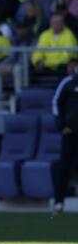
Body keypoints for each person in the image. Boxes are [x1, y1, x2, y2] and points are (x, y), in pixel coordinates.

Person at [52, 62, 78, 213]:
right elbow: (56, 103)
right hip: (71, 133)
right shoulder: (67, 82)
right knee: (64, 167)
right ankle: (58, 202)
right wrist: (61, 126)